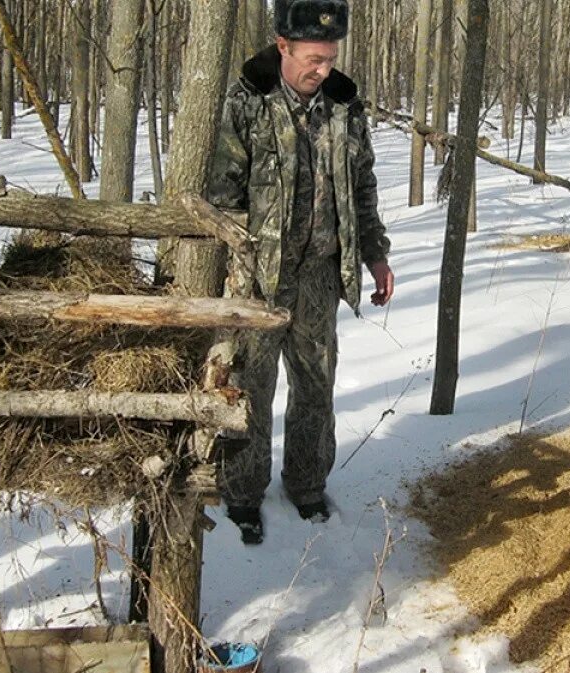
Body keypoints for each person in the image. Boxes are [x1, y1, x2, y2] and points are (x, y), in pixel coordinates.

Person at [206, 0, 393, 544]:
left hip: (320, 274)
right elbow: (223, 194)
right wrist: (235, 271)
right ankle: (241, 494)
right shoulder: (247, 100)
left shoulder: (343, 105)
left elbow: (362, 187)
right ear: (283, 47)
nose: (324, 70)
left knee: (315, 384)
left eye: (330, 58)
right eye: (314, 58)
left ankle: (308, 486)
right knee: (250, 388)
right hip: (259, 277)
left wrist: (375, 254)